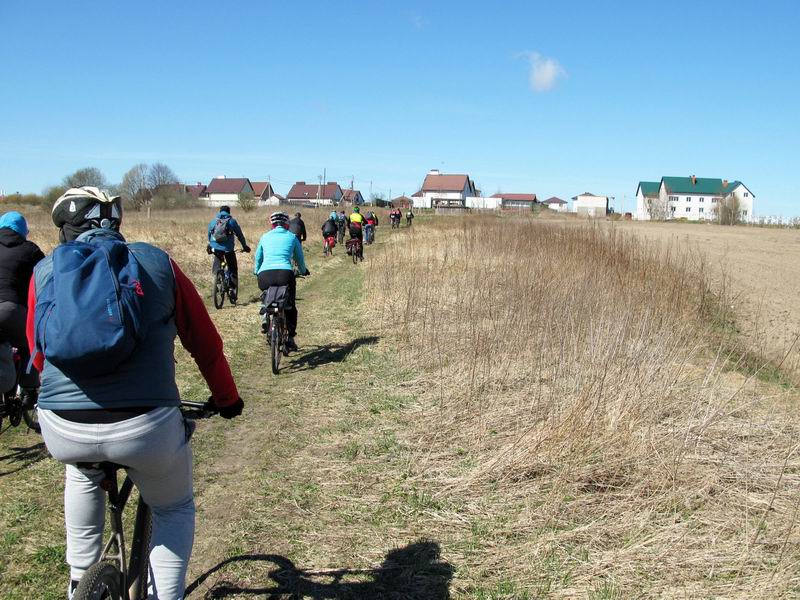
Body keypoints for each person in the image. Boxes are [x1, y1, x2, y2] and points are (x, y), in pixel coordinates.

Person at [29, 186, 243, 600]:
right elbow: (204, 342)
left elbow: (37, 354)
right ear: (117, 220)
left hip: (63, 424)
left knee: (81, 469)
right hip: (146, 424)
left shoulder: (45, 270)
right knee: (173, 508)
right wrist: (226, 398)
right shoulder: (157, 261)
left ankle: (80, 583)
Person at [0, 211, 45, 398]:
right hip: (10, 309)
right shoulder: (30, 249)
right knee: (30, 341)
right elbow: (45, 277)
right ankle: (29, 388)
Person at [254, 212, 310, 352]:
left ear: (272, 224)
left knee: (267, 293)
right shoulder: (292, 237)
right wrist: (303, 271)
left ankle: (266, 314)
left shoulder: (264, 237)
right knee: (290, 305)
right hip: (285, 274)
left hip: (265, 275)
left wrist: (256, 271)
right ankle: (290, 338)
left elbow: (258, 257)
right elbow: (300, 259)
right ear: (287, 224)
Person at [206, 205, 250, 303]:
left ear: (220, 211)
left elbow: (209, 235)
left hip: (216, 248)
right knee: (233, 269)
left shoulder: (214, 221)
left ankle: (217, 279)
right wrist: (244, 246)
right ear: (229, 212)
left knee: (217, 264)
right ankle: (232, 290)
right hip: (228, 249)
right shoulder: (232, 221)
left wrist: (211, 244)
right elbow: (240, 235)